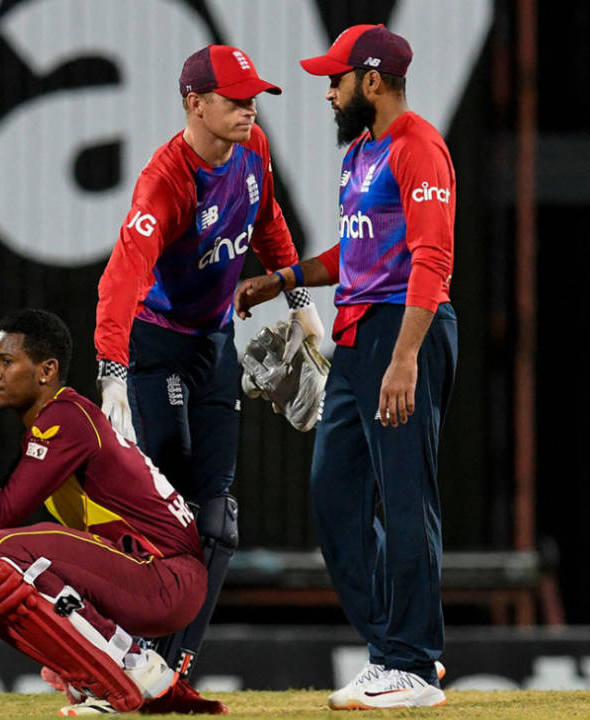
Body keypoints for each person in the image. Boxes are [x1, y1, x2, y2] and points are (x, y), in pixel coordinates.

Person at [234, 24, 456, 710]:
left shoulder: (418, 147)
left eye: (335, 79)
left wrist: (406, 358)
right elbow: (357, 254)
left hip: (401, 331)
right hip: (358, 336)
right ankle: (393, 648)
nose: (327, 92)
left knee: (405, 493)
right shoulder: (362, 152)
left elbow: (432, 259)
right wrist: (285, 278)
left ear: (372, 80)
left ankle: (412, 664)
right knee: (335, 496)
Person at [92, 44, 320, 713]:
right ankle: (110, 658)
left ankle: (167, 671)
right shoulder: (165, 181)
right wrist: (112, 371)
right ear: (195, 103)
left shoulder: (254, 153)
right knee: (169, 514)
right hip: (157, 346)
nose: (249, 109)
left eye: (253, 98)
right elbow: (120, 280)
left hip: (214, 341)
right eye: (235, 99)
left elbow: (269, 221)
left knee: (218, 522)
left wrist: (299, 300)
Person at [0, 309, 207, 716]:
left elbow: (2, 517)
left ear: (46, 370)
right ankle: (88, 669)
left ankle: (131, 665)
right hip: (149, 572)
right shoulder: (59, 419)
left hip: (164, 575)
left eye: (6, 361)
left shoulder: (66, 418)